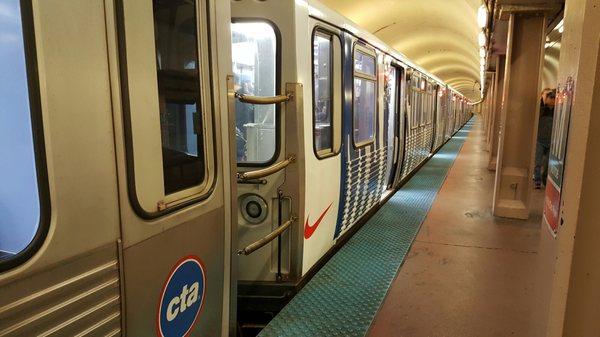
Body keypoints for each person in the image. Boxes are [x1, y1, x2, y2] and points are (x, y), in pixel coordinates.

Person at [534, 88, 555, 189]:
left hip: (551, 141)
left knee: (547, 164)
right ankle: (537, 180)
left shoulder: (557, 110)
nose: (551, 98)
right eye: (548, 96)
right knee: (537, 162)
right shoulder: (541, 109)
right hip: (540, 140)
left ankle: (544, 177)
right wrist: (542, 99)